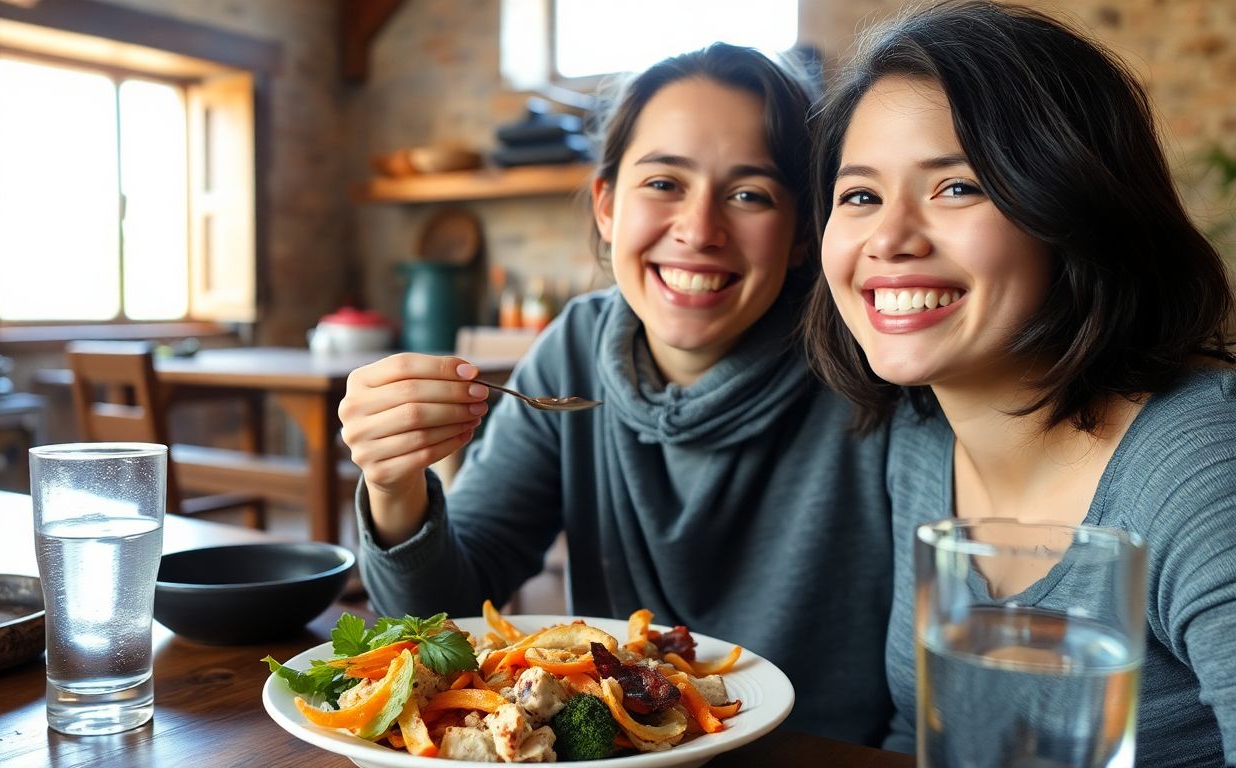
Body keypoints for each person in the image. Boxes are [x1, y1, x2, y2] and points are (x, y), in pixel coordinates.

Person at [338, 43, 895, 744]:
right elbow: (443, 624)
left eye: (749, 194)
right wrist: (393, 486)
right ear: (606, 205)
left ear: (799, 237)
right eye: (664, 182)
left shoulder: (871, 371)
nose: (698, 230)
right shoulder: (575, 350)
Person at [801, 1, 1236, 764]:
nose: (889, 238)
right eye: (861, 196)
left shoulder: (1201, 470)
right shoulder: (920, 439)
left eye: (957, 187)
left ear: (1071, 204)